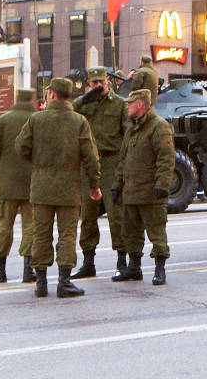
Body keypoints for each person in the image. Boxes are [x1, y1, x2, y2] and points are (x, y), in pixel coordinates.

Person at [15, 77, 102, 299]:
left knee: (41, 234)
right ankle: (64, 282)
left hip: (41, 188)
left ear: (52, 94)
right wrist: (94, 185)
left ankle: (41, 283)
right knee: (67, 235)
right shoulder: (79, 121)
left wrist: (39, 161)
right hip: (69, 189)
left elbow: (21, 147)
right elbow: (91, 157)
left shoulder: (37, 120)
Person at [70, 67, 129, 278]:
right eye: (93, 83)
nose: (98, 86)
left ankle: (122, 260)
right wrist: (85, 99)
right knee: (87, 214)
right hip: (89, 164)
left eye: (101, 82)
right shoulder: (85, 105)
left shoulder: (120, 104)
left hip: (112, 161)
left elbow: (128, 134)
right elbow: (67, 113)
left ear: (108, 81)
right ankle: (88, 262)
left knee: (116, 213)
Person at [111, 89, 174, 285]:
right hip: (131, 192)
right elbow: (123, 160)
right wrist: (117, 185)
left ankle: (159, 269)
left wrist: (162, 185)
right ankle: (134, 268)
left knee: (156, 232)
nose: (127, 106)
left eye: (130, 103)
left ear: (140, 104)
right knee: (130, 233)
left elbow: (166, 159)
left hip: (150, 193)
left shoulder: (158, 126)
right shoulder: (131, 128)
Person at [0, 89, 38, 284]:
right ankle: (28, 270)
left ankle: (0, 269)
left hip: (8, 183)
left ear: (16, 99)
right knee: (31, 226)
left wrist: (2, 160)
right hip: (33, 183)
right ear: (31, 100)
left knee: (4, 224)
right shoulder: (37, 119)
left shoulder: (4, 120)